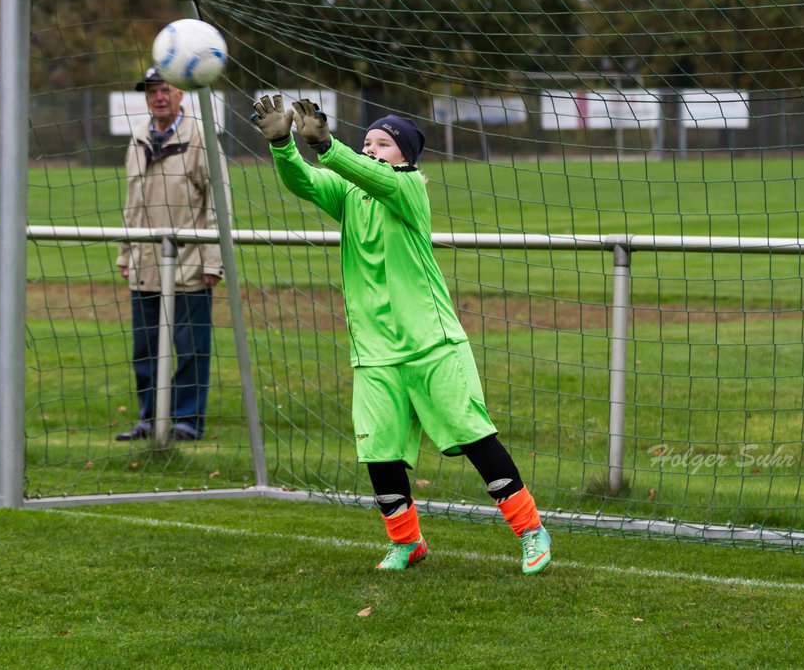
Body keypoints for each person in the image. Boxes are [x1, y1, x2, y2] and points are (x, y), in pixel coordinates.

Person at [249, 93, 552, 575]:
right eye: (367, 141)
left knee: (475, 437)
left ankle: (531, 530)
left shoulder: (410, 188)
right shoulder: (349, 193)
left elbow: (367, 174)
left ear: (405, 156)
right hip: (375, 351)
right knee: (379, 450)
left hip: (433, 344)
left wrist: (328, 146)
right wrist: (283, 144)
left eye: (383, 144)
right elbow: (303, 181)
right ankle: (406, 542)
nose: (371, 150)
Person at [114, 67, 225, 442]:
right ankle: (149, 418)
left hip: (190, 261)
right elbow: (132, 201)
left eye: (164, 90)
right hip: (145, 261)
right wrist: (125, 253)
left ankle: (186, 421)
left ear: (180, 93)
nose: (158, 97)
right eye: (151, 92)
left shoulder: (201, 137)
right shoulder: (138, 137)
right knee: (145, 348)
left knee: (190, 348)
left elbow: (217, 206)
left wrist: (213, 261)